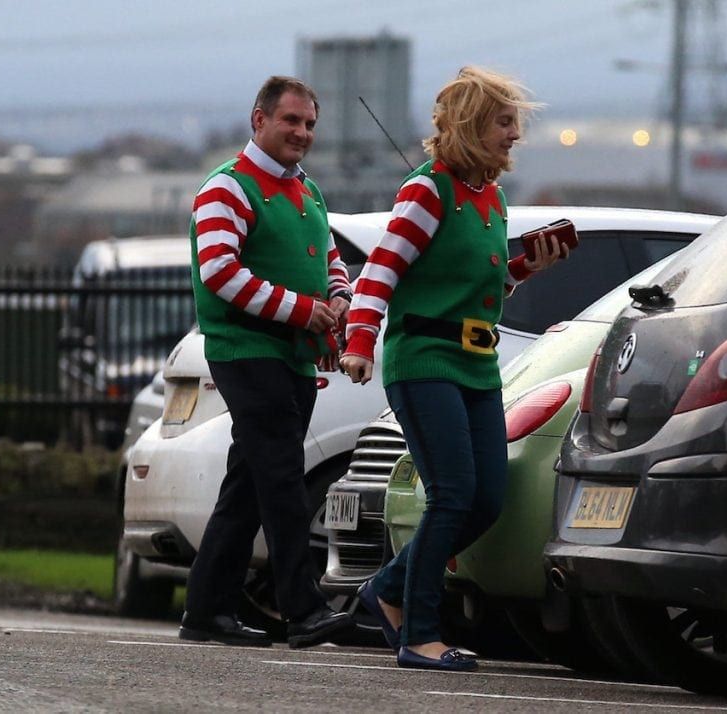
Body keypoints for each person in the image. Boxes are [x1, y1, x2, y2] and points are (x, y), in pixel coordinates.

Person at [340, 66, 567, 671]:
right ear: (471, 124)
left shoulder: (490, 196)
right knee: (452, 494)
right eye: (503, 120)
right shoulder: (428, 189)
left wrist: (523, 271)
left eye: (513, 121)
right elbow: (380, 272)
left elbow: (476, 285)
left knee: (486, 499)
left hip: (476, 363)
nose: (514, 133)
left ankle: (386, 589)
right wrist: (359, 341)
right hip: (425, 360)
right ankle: (419, 632)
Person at [180, 76, 355, 649]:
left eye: (309, 124)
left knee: (249, 487)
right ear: (259, 120)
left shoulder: (308, 192)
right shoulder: (226, 188)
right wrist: (304, 312)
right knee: (282, 479)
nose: (302, 133)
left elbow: (333, 261)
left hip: (295, 358)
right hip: (247, 353)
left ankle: (205, 611)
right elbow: (219, 273)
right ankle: (303, 610)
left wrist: (338, 301)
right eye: (291, 121)